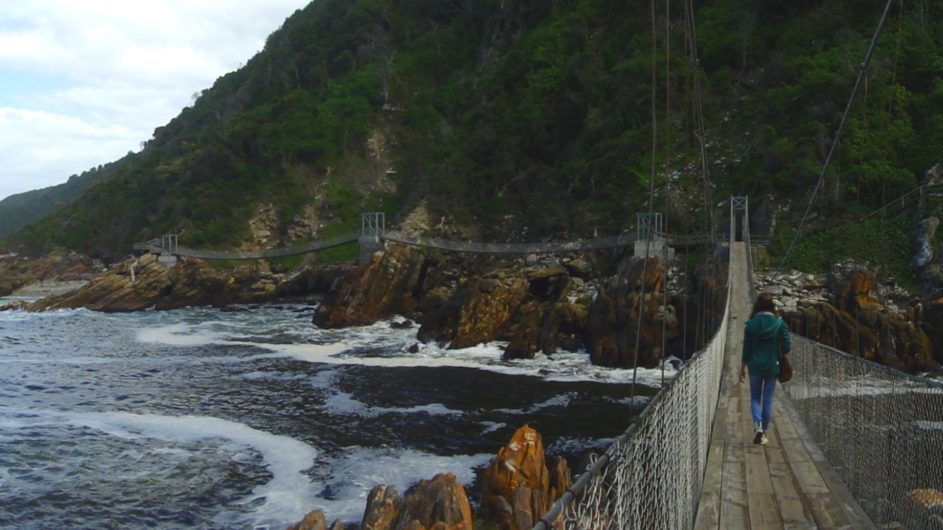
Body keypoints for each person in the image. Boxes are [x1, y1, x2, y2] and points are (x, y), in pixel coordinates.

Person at [738, 292, 791, 445]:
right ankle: (764, 433)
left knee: (755, 398)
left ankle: (757, 426)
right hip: (772, 366)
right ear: (772, 306)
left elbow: (746, 348)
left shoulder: (750, 325)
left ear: (757, 306)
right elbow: (787, 347)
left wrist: (742, 367)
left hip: (754, 365)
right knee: (767, 400)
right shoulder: (779, 323)